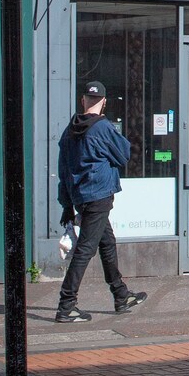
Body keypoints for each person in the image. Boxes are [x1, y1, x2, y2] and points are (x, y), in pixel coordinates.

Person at [56, 80, 147, 323]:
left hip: (81, 197)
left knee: (107, 242)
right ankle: (66, 305)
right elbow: (125, 154)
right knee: (86, 249)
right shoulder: (102, 127)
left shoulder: (69, 130)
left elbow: (63, 170)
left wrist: (66, 204)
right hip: (98, 195)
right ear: (104, 102)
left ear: (83, 100)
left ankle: (121, 294)